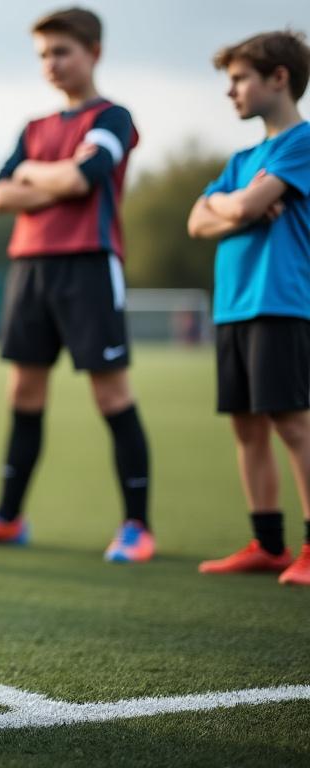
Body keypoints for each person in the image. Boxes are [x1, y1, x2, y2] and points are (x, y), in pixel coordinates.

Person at [0, 7, 154, 564]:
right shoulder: (34, 127)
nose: (52, 63)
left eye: (62, 51)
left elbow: (83, 178)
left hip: (89, 263)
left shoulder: (113, 117)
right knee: (23, 393)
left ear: (94, 52)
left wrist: (33, 174)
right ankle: (9, 516)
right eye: (44, 54)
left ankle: (137, 526)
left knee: (111, 393)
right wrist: (52, 177)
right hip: (30, 267)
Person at [187, 30, 310, 586]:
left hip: (280, 301)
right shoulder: (241, 159)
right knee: (246, 427)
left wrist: (230, 207)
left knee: (292, 424)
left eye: (239, 79)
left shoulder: (300, 143)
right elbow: (198, 221)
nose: (230, 90)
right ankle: (268, 544)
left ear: (279, 78)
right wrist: (232, 204)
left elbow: (236, 210)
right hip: (233, 308)